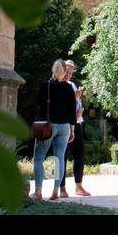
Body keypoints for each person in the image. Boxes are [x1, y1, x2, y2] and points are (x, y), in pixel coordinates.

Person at [32, 59, 76, 200]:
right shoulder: (69, 88)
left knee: (39, 158)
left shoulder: (46, 85)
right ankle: (56, 191)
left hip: (48, 126)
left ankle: (38, 192)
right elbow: (72, 111)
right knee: (59, 159)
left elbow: (38, 102)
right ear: (64, 71)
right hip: (64, 127)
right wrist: (73, 129)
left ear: (53, 69)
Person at [62, 59, 92, 197]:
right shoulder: (58, 85)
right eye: (66, 72)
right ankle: (61, 188)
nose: (68, 75)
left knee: (79, 154)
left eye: (70, 73)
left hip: (77, 123)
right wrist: (74, 98)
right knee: (61, 156)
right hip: (63, 125)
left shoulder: (72, 84)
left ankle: (78, 186)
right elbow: (61, 106)